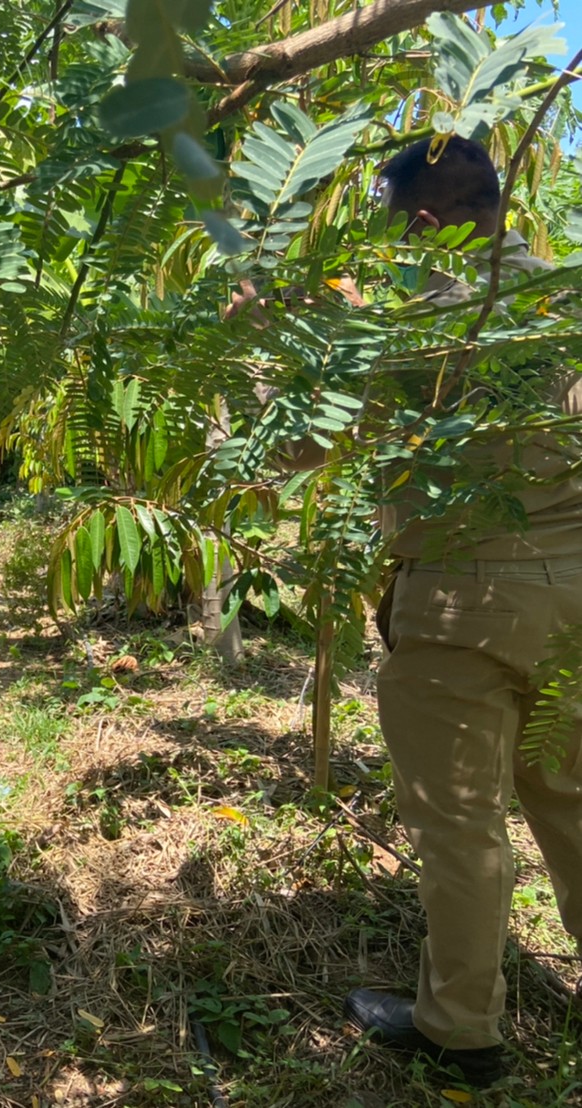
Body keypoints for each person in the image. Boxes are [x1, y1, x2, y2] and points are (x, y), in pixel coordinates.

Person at [231, 136, 582, 1086]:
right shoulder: (564, 298)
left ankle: (461, 1034)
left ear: (421, 222)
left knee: (464, 830)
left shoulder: (409, 322)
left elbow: (294, 447)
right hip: (578, 607)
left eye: (391, 224)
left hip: (462, 608)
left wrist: (270, 344)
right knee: (577, 812)